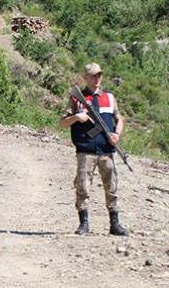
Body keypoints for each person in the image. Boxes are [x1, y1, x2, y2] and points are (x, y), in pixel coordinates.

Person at [59, 62, 129, 236]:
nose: (97, 78)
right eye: (93, 75)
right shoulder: (76, 98)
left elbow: (119, 119)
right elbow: (62, 123)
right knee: (83, 186)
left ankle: (115, 224)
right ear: (85, 77)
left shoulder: (110, 97)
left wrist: (116, 135)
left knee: (112, 187)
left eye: (99, 75)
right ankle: (84, 224)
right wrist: (77, 116)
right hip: (86, 150)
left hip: (106, 149)